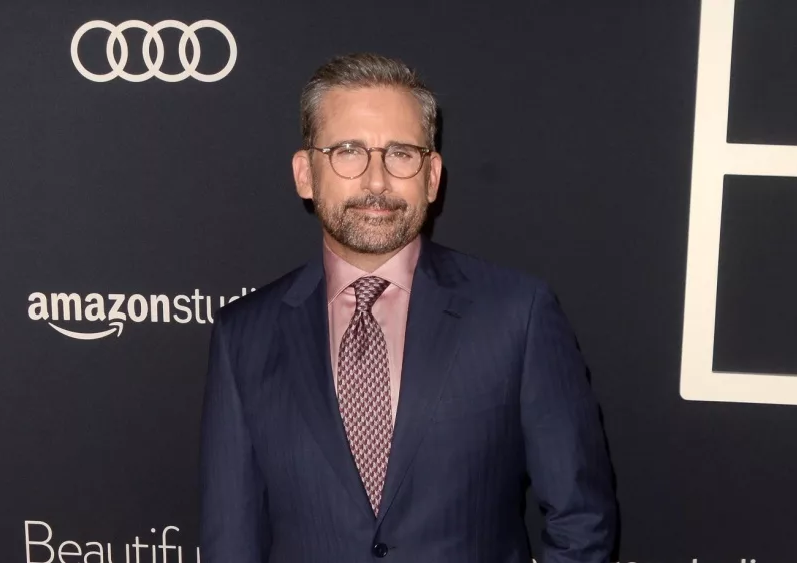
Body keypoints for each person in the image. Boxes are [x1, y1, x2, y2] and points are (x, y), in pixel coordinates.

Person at [199, 52, 617, 563]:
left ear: (433, 175)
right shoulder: (244, 334)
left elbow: (581, 519)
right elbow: (231, 540)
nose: (377, 182)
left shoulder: (517, 314)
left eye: (401, 153)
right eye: (348, 151)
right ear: (305, 174)